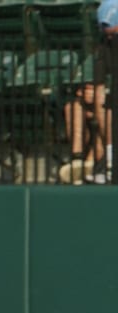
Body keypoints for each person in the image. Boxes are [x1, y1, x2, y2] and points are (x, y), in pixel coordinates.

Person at [60, 0, 116, 185]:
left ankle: (99, 161)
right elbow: (100, 82)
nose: (110, 40)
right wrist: (89, 92)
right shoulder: (105, 45)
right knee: (77, 105)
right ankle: (85, 159)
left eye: (114, 35)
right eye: (107, 36)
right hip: (112, 100)